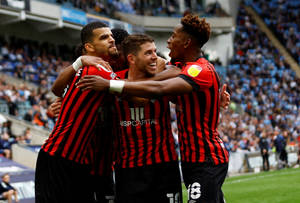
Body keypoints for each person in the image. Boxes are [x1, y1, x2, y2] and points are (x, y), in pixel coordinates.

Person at [77, 14, 229, 203]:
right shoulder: (171, 68)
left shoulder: (178, 70)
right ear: (131, 57)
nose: (166, 43)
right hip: (132, 168)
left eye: (172, 37)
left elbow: (160, 89)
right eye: (148, 53)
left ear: (187, 42)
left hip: (178, 163)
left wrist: (112, 85)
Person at [34, 21, 119, 203]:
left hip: (75, 160)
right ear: (89, 47)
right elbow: (135, 94)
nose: (111, 40)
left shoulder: (98, 69)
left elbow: (59, 91)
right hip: (58, 158)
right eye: (104, 37)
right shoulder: (96, 70)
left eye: (111, 36)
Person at [113, 34, 182, 203]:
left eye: (155, 52)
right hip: (128, 169)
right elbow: (140, 99)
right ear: (131, 58)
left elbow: (179, 73)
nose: (155, 57)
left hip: (164, 165)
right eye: (148, 53)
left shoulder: (168, 75)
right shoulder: (114, 79)